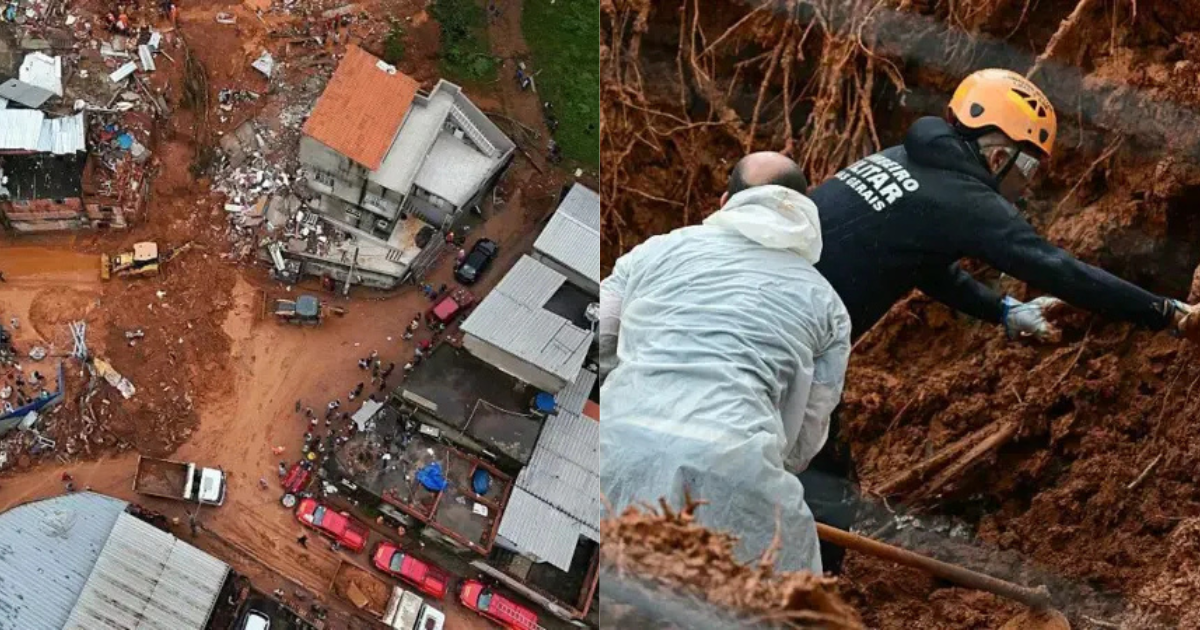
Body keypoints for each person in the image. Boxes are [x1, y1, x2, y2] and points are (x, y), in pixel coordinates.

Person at [802, 68, 1200, 573]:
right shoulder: (966, 198)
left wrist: (1003, 309)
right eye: (1028, 168)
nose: (1023, 185)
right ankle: (806, 598)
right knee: (820, 486)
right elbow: (1056, 269)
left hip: (750, 305)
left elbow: (918, 260)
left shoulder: (903, 160)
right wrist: (1168, 313)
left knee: (811, 470)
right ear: (998, 151)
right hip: (789, 341)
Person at [599, 152, 851, 574]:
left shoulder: (652, 254)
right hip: (738, 472)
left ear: (724, 203)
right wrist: (764, 467)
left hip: (622, 450)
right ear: (803, 213)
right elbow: (808, 433)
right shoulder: (827, 305)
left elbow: (602, 338)